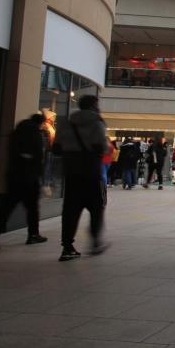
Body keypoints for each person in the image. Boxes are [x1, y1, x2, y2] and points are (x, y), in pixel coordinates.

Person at [53, 94, 110, 261]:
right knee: (98, 207)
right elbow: (101, 147)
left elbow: (56, 148)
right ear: (94, 106)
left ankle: (67, 246)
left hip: (71, 172)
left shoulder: (66, 123)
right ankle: (95, 242)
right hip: (92, 172)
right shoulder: (97, 123)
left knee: (70, 210)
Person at [0, 114, 49, 251]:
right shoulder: (36, 134)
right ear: (40, 123)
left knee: (6, 208)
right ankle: (33, 234)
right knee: (32, 208)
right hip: (30, 177)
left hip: (14, 175)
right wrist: (40, 176)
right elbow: (38, 156)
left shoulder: (16, 133)